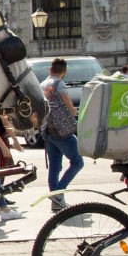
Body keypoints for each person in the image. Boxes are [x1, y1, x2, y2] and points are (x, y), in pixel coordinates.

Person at [39, 57, 84, 212]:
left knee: (54, 167)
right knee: (78, 162)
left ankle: (56, 202)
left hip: (47, 130)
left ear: (50, 70)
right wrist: (75, 111)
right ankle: (58, 193)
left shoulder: (43, 85)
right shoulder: (59, 84)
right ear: (64, 72)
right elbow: (68, 104)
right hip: (62, 131)